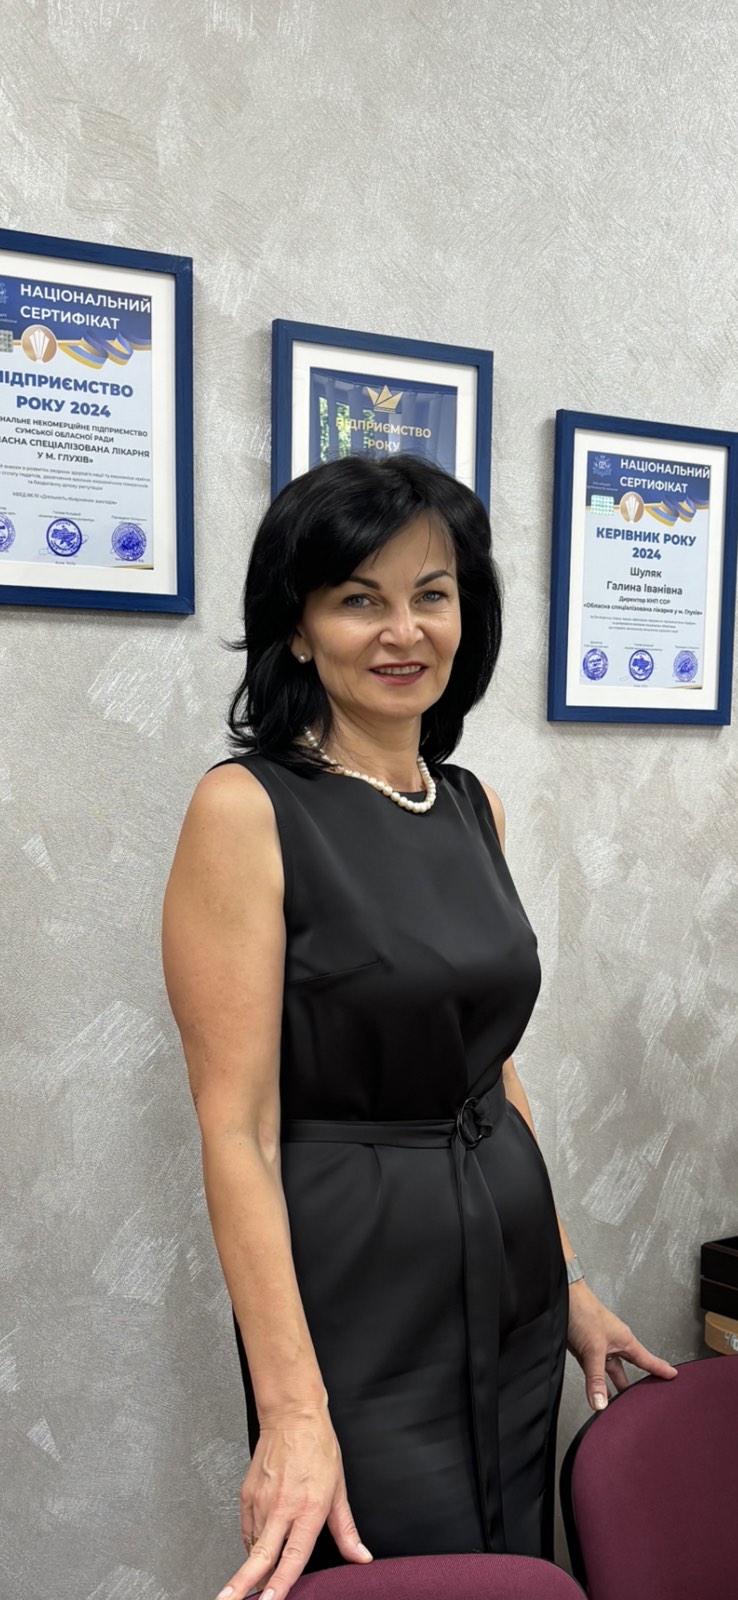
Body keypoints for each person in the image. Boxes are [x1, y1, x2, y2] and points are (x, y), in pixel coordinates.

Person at [162, 454, 676, 1600]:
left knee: (512, 1560)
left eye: (430, 594)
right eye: (360, 598)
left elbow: (490, 1065)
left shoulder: (470, 802)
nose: (404, 631)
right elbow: (236, 1129)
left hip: (514, 1281)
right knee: (387, 1567)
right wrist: (293, 1409)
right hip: (360, 1297)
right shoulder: (247, 809)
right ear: (298, 630)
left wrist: (569, 1280)